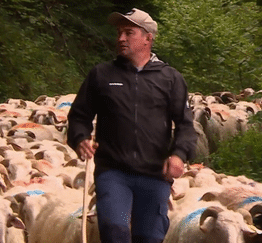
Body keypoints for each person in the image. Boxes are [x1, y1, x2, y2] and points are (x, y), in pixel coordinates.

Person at [67, 8, 197, 243]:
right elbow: (79, 115)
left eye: (129, 32)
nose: (121, 39)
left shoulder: (170, 78)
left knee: (148, 237)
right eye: (119, 33)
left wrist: (179, 155)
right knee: (114, 229)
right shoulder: (102, 74)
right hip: (113, 171)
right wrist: (80, 137)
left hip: (155, 174)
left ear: (148, 37)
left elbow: (186, 125)